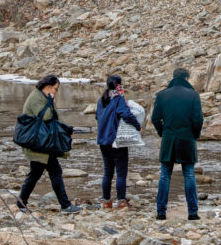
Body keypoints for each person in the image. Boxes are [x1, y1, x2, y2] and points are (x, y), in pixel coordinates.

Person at [16, 75, 82, 214]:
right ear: (48, 87)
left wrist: (66, 129)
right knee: (55, 171)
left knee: (36, 173)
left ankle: (21, 202)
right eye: (56, 89)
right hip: (39, 144)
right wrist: (50, 101)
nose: (56, 92)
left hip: (41, 143)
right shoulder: (37, 98)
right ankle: (65, 205)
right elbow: (46, 116)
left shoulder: (41, 96)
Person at [151, 68, 204, 221]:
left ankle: (161, 212)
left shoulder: (162, 95)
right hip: (187, 138)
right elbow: (198, 120)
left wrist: (163, 132)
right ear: (186, 78)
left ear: (173, 78)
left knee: (165, 175)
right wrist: (195, 134)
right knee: (189, 175)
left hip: (168, 139)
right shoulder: (193, 95)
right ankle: (192, 213)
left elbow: (155, 119)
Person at [95, 75, 141, 210]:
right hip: (116, 140)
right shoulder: (118, 98)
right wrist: (137, 126)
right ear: (118, 85)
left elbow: (97, 117)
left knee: (107, 172)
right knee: (121, 173)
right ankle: (121, 201)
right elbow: (126, 114)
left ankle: (106, 201)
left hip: (103, 140)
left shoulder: (102, 100)